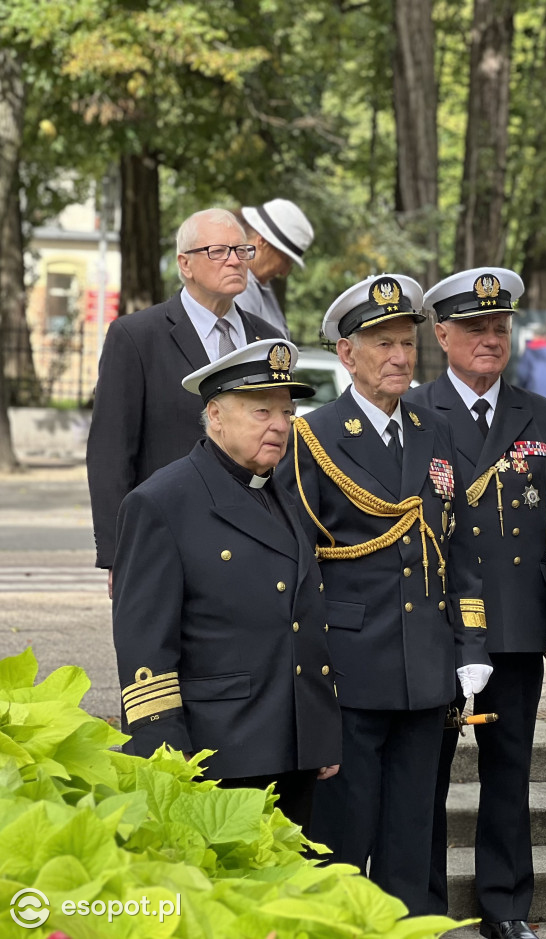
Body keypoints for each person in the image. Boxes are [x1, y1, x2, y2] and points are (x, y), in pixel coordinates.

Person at [275, 273, 491, 914]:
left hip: (424, 666)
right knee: (341, 838)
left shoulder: (432, 429)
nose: (400, 357)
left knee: (411, 835)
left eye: (407, 343)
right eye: (382, 344)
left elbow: (459, 543)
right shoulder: (312, 438)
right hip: (349, 666)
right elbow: (297, 567)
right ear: (347, 354)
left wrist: (470, 640)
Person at [111, 339, 341, 833]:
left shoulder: (281, 491)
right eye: (262, 411)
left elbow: (300, 622)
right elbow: (145, 648)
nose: (281, 425)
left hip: (292, 746)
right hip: (218, 757)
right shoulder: (162, 503)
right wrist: (166, 757)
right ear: (215, 415)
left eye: (288, 411)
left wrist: (320, 735)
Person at [405, 268, 546, 939]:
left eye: (499, 326)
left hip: (518, 625)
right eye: (475, 327)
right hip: (439, 628)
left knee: (510, 771)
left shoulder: (540, 413)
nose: (490, 338)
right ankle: (425, 904)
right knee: (426, 774)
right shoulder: (414, 411)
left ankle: (505, 905)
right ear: (442, 333)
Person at [87, 207, 284, 586]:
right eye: (218, 251)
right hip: (169, 536)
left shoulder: (268, 339)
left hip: (255, 537)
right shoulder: (137, 337)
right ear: (185, 264)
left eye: (242, 251)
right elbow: (110, 452)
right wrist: (117, 553)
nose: (234, 261)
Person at [236, 198, 316, 339]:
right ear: (263, 242)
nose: (284, 272)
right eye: (285, 260)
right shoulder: (237, 285)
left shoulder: (260, 284)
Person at [515, 327, 546, 403]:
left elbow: (523, 374)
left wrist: (519, 390)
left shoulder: (529, 352)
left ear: (534, 336)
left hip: (534, 393)